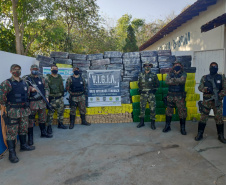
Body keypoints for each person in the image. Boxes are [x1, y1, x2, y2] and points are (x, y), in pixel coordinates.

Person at [0, 64, 35, 163]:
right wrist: (8, 106)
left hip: (24, 111)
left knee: (24, 128)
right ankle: (12, 154)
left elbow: (27, 94)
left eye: (19, 70)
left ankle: (23, 146)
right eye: (15, 70)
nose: (17, 71)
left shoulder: (25, 83)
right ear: (11, 71)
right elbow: (1, 98)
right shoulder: (7, 83)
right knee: (12, 133)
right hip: (13, 112)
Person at [195, 62, 226, 143]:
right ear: (209, 68)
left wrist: (219, 95)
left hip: (217, 101)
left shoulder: (221, 77)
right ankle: (200, 134)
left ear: (217, 68)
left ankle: (221, 135)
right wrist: (206, 89)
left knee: (219, 118)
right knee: (203, 118)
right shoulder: (204, 78)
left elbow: (225, 89)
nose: (213, 68)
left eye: (215, 66)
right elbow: (200, 87)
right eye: (212, 66)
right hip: (207, 102)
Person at [23, 64, 52, 145]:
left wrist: (46, 97)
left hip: (42, 101)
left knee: (43, 118)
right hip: (32, 102)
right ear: (30, 69)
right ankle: (30, 138)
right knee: (30, 120)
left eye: (36, 69)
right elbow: (23, 88)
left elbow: (46, 88)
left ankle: (43, 133)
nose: (35, 70)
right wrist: (31, 89)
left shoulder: (42, 78)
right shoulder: (26, 78)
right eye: (33, 69)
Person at [163, 61, 187, 135]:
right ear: (173, 66)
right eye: (175, 64)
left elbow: (182, 81)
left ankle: (182, 128)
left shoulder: (183, 73)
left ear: (181, 66)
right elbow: (167, 81)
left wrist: (173, 80)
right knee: (169, 111)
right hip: (170, 95)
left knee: (182, 112)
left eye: (178, 64)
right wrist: (177, 81)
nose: (177, 65)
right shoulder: (170, 74)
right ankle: (167, 126)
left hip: (180, 96)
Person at [45, 64, 67, 133]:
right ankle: (49, 127)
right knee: (50, 113)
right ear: (51, 69)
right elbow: (46, 88)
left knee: (61, 112)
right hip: (52, 98)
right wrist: (47, 97)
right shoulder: (48, 77)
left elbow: (61, 85)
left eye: (56, 68)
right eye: (53, 68)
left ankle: (60, 124)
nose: (55, 69)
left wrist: (62, 94)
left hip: (60, 98)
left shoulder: (59, 76)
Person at [137, 62, 159, 129]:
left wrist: (154, 90)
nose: (147, 67)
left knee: (152, 108)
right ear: (144, 67)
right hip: (143, 94)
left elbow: (157, 84)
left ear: (150, 67)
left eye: (149, 66)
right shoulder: (140, 74)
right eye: (146, 66)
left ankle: (152, 123)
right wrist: (140, 89)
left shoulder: (154, 74)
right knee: (142, 108)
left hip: (151, 94)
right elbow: (138, 83)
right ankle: (142, 122)